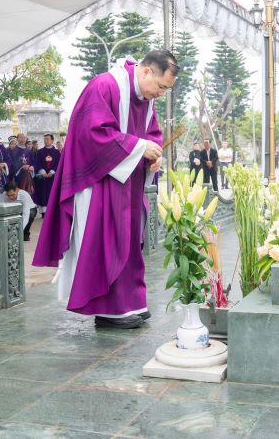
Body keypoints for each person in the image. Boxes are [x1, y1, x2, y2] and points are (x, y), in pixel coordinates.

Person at [33, 51, 177, 329]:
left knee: (130, 243)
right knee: (108, 243)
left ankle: (131, 302)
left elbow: (152, 134)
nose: (160, 94)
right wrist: (139, 147)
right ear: (146, 71)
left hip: (129, 183)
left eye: (166, 90)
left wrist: (154, 154)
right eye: (161, 87)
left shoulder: (145, 99)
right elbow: (91, 134)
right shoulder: (105, 85)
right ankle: (109, 309)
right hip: (100, 182)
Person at [33, 134, 60, 216]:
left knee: (52, 193)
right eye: (45, 139)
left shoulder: (57, 152)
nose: (46, 141)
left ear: (52, 140)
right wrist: (43, 171)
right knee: (43, 193)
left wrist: (52, 171)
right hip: (43, 177)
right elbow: (37, 162)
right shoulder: (40, 152)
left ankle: (53, 211)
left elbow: (59, 163)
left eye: (47, 139)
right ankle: (43, 212)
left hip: (53, 177)